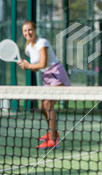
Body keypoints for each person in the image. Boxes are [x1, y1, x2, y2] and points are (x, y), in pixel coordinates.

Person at [17, 21, 71, 150]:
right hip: (46, 77)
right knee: (42, 107)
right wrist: (27, 66)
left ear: (35, 30)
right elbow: (37, 68)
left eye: (30, 30)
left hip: (57, 74)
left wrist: (29, 65)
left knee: (47, 104)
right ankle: (54, 133)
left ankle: (53, 140)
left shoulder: (42, 43)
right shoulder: (28, 48)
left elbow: (42, 63)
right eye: (25, 31)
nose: (28, 33)